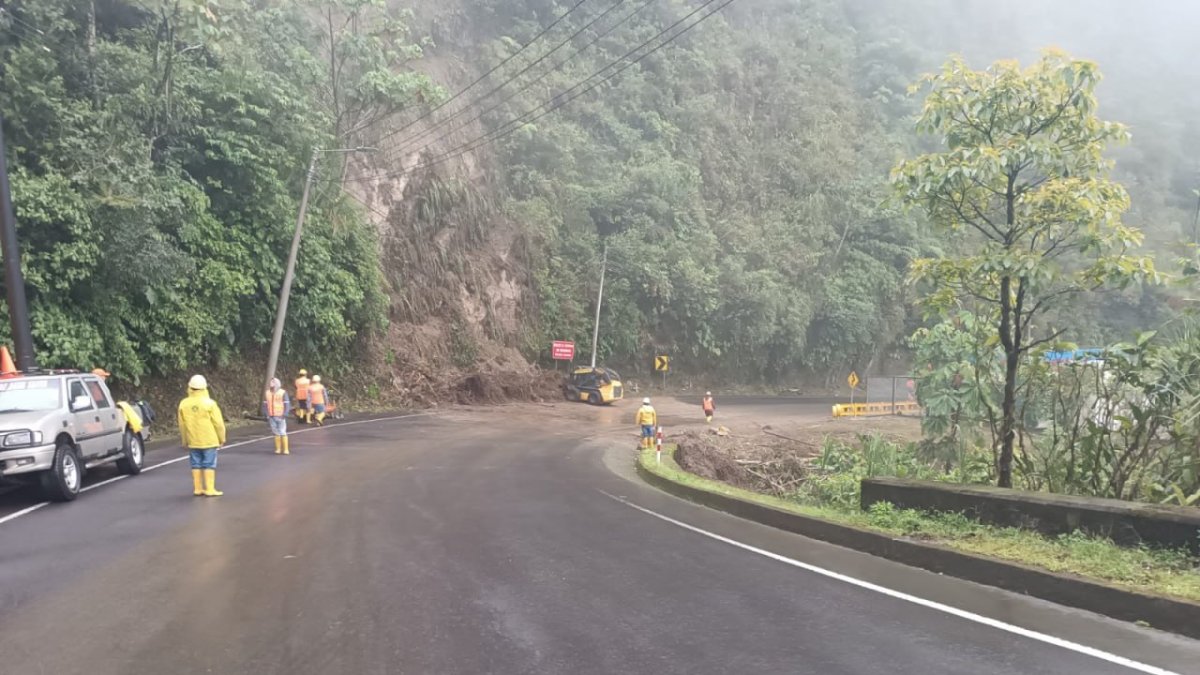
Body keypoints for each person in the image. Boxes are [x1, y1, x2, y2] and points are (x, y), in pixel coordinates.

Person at [178, 375, 226, 497]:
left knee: (196, 464)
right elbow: (218, 424)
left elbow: (182, 425)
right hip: (209, 440)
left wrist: (184, 441)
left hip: (193, 440)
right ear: (205, 388)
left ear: (189, 387)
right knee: (209, 464)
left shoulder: (183, 404)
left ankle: (198, 488)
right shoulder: (210, 403)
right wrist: (222, 438)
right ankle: (210, 489)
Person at [263, 378, 291, 455]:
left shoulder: (282, 392)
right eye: (271, 382)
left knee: (282, 431)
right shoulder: (267, 393)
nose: (271, 383)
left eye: (273, 382)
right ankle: (278, 449)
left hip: (280, 415)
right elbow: (265, 404)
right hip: (271, 416)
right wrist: (267, 414)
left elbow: (287, 404)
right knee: (275, 432)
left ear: (277, 383)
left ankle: (285, 449)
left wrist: (285, 414)